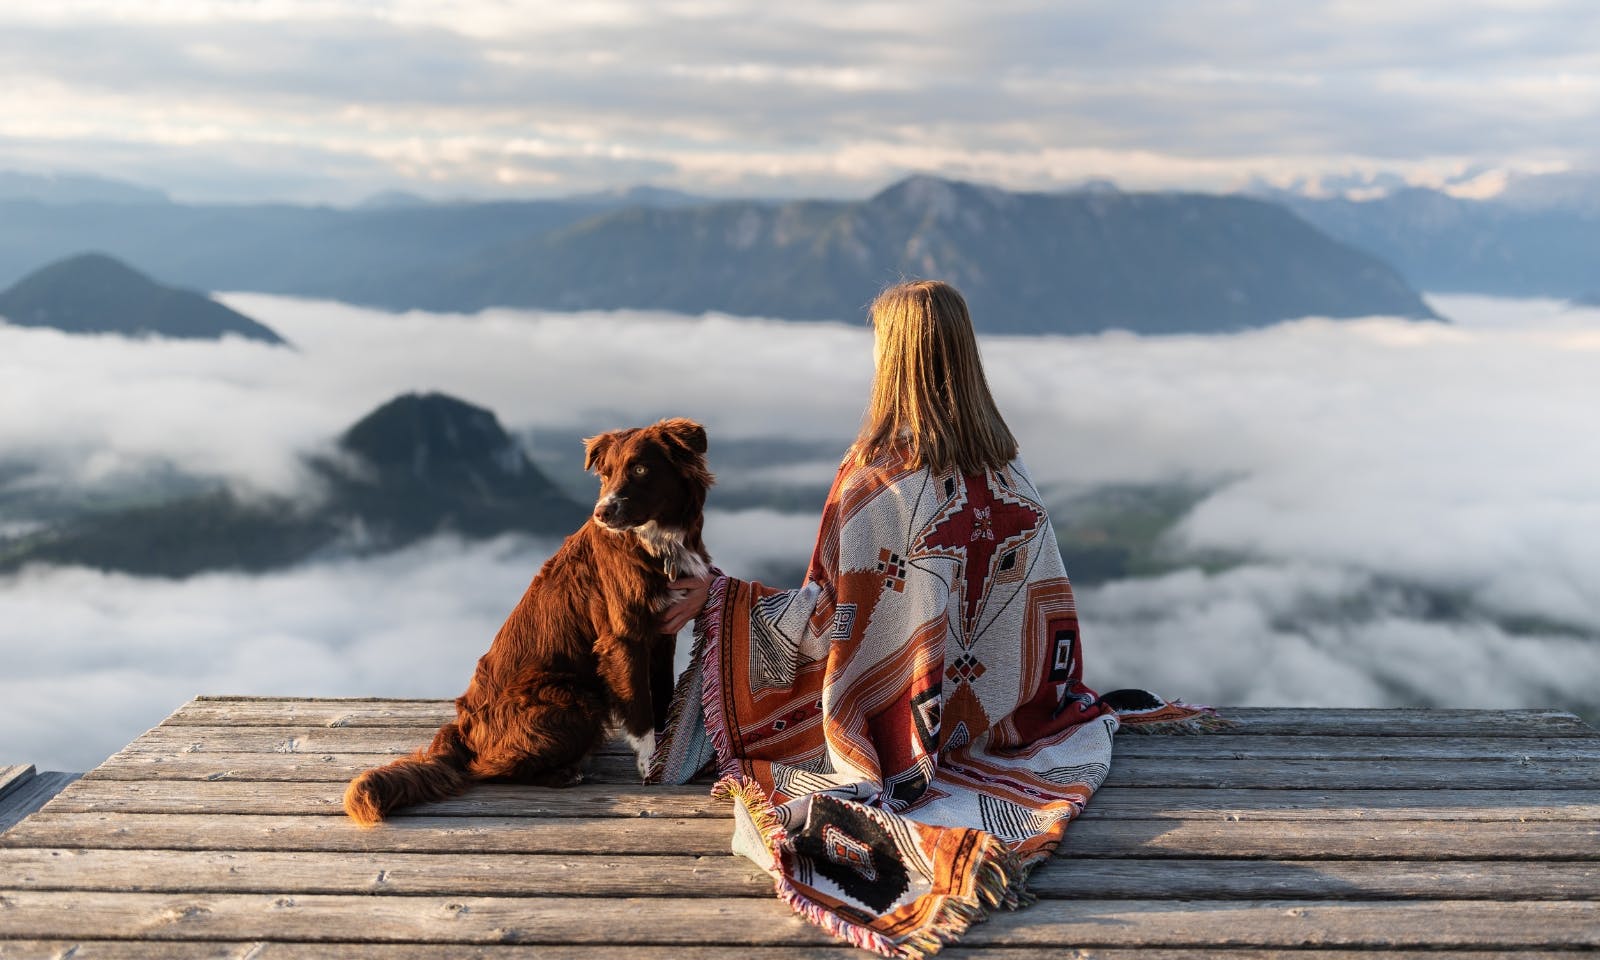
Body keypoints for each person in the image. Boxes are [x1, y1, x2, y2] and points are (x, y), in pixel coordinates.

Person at [651, 279, 1216, 959]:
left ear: (894, 359)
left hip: (902, 732)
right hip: (1008, 720)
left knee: (778, 753)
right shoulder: (1010, 472)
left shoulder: (871, 482)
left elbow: (830, 619)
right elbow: (1044, 612)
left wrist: (721, 598)